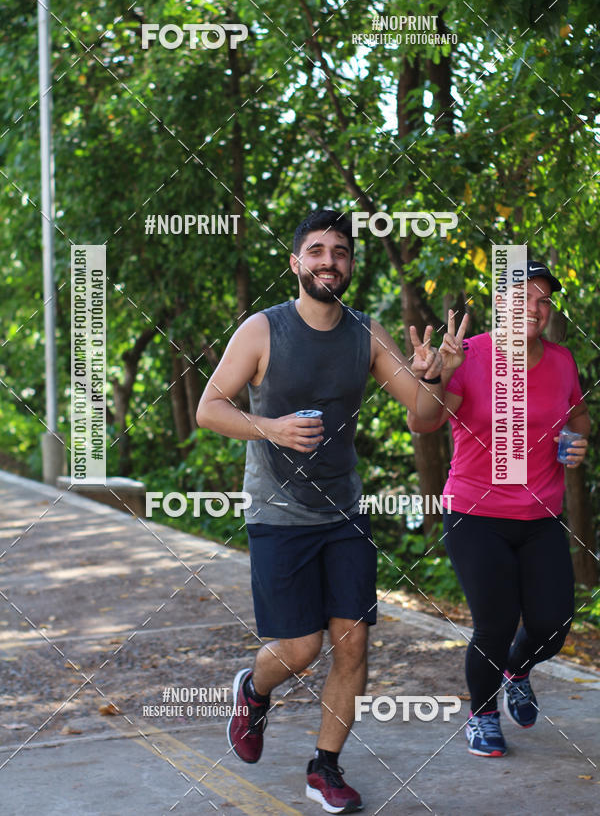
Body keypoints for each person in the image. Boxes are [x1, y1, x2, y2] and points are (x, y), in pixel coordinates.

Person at [196, 208, 466, 812]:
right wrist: (270, 428)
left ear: (350, 264)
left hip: (343, 511)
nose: (328, 261)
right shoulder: (263, 330)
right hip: (277, 513)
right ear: (296, 263)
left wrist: (438, 377)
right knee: (299, 650)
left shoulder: (367, 335)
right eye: (316, 251)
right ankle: (254, 690)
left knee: (353, 645)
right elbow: (208, 409)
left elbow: (424, 420)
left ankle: (325, 766)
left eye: (340, 252)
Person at [408, 260, 590, 757]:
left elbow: (578, 417)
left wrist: (577, 442)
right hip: (475, 513)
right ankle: (482, 715)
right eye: (523, 299)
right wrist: (432, 377)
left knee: (553, 626)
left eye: (543, 300)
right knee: (494, 620)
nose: (535, 308)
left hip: (541, 517)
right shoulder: (466, 354)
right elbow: (422, 424)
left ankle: (517, 669)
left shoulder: (562, 360)